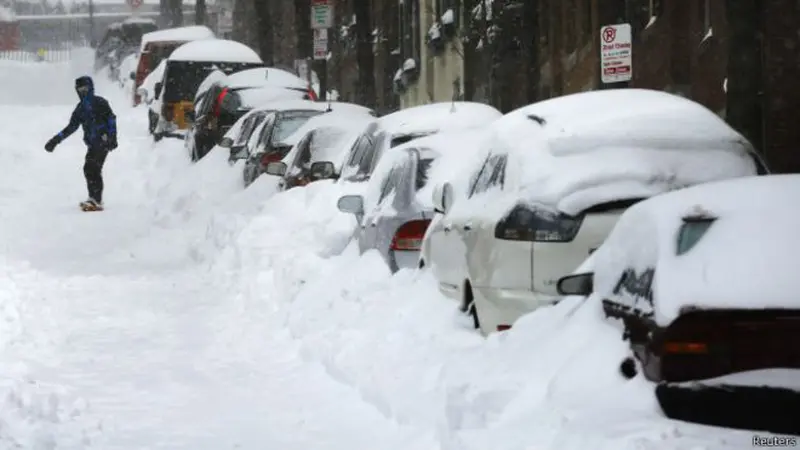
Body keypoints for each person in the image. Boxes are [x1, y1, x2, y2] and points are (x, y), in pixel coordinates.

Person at [45, 76, 117, 211]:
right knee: (90, 169)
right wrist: (55, 140)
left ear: (91, 88)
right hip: (92, 144)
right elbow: (71, 127)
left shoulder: (100, 102)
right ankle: (94, 199)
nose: (83, 92)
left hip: (103, 141)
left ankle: (96, 200)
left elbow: (111, 119)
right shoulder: (80, 109)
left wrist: (113, 137)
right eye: (80, 90)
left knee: (92, 168)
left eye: (85, 89)